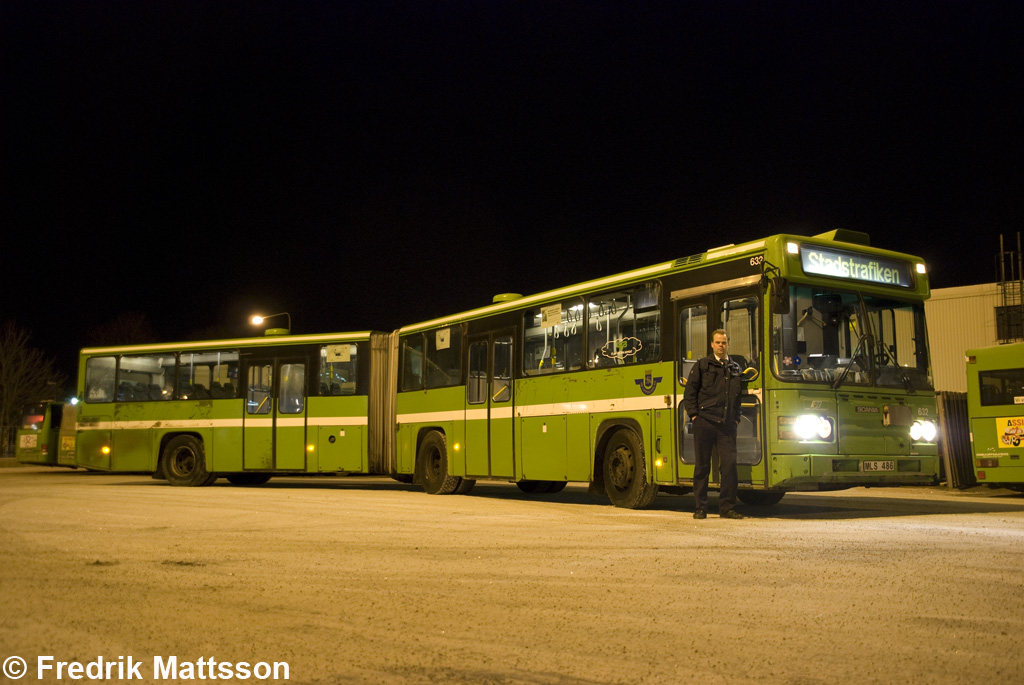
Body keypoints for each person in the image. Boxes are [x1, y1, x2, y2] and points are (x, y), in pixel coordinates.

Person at [683, 329, 745, 519]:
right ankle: (700, 508)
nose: (721, 346)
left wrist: (736, 418)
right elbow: (690, 393)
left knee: (729, 465)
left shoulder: (735, 368)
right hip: (705, 422)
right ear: (711, 344)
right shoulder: (702, 365)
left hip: (727, 425)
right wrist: (695, 416)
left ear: (728, 344)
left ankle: (727, 508)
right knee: (702, 466)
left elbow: (738, 397)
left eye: (724, 343)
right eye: (717, 342)